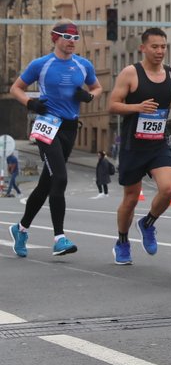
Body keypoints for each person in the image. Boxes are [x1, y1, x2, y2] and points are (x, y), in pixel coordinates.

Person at [8, 20, 102, 257]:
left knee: (45, 185)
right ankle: (59, 238)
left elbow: (97, 87)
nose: (71, 41)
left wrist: (88, 96)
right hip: (47, 125)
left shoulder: (83, 65)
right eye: (66, 37)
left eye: (75, 38)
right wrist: (31, 102)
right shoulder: (41, 64)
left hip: (70, 128)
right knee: (60, 177)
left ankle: (20, 229)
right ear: (55, 38)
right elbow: (15, 88)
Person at [107, 27, 171, 266]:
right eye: (155, 46)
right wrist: (136, 107)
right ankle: (122, 242)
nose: (160, 51)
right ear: (143, 48)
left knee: (169, 188)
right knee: (130, 199)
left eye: (163, 46)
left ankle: (148, 223)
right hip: (133, 145)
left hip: (158, 144)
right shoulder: (131, 73)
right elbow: (112, 105)